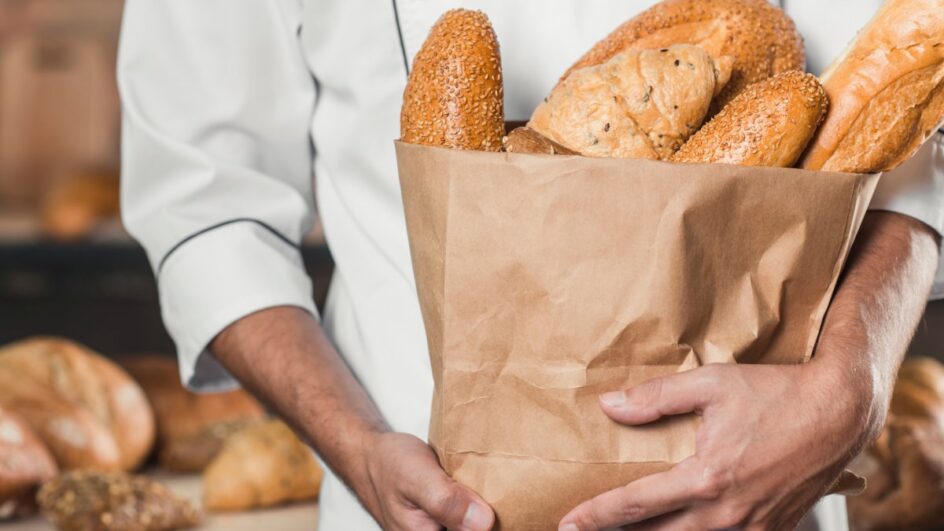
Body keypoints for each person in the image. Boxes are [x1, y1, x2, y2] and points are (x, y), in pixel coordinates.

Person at [117, 1, 943, 529]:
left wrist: (851, 380)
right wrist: (360, 446)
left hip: (765, 498)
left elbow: (903, 106)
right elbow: (207, 206)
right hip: (420, 494)